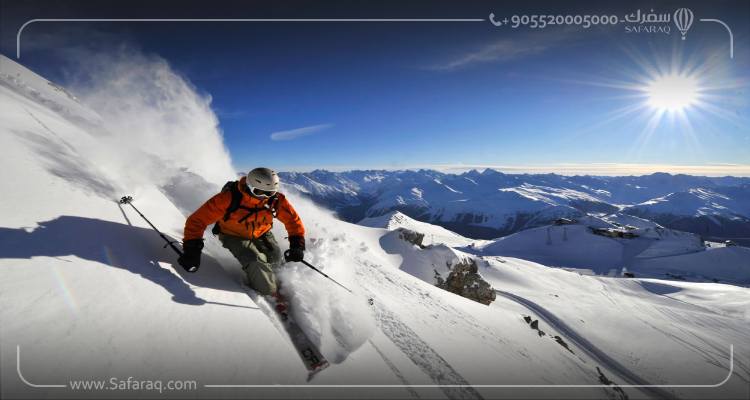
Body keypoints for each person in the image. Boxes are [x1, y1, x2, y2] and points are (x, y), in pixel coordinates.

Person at [177, 167, 305, 308]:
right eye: (259, 192)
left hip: (261, 232)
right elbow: (197, 221)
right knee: (255, 261)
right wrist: (191, 250)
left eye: (269, 193)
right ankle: (270, 294)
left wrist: (297, 244)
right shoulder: (228, 198)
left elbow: (293, 221)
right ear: (249, 186)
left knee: (275, 257)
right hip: (233, 235)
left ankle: (272, 280)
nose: (264, 197)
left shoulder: (275, 200)